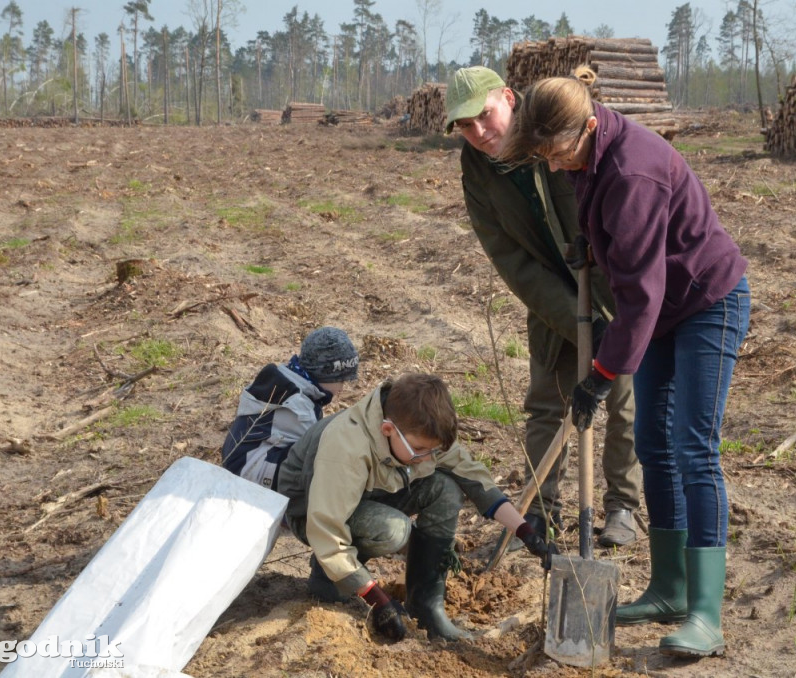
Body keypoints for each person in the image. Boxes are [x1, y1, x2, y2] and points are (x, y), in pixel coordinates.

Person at [498, 66, 751, 659]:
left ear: (588, 127)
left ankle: (706, 615)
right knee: (652, 441)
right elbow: (615, 244)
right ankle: (667, 588)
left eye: (558, 154)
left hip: (706, 302)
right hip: (664, 309)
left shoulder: (633, 169)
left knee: (693, 447)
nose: (555, 167)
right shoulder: (590, 151)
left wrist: (603, 375)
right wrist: (588, 242)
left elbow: (640, 294)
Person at [444, 66, 642, 548]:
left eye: (484, 116)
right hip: (551, 298)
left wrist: (605, 315)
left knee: (621, 402)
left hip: (608, 284)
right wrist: (574, 322)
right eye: (466, 126)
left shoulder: (555, 123)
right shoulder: (476, 170)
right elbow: (509, 258)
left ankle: (622, 507)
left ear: (508, 99)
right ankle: (541, 514)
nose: (479, 133)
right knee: (545, 406)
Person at [275, 372, 554, 642]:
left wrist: (525, 531)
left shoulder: (420, 430)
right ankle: (330, 577)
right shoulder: (347, 447)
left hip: (366, 494)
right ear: (387, 429)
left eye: (434, 451)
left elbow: (472, 476)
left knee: (444, 488)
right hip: (312, 510)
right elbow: (326, 528)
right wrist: (378, 601)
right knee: (393, 530)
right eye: (422, 450)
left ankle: (425, 607)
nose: (428, 458)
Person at [221, 326, 360, 492]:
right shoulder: (299, 407)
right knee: (321, 454)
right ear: (325, 375)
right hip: (247, 479)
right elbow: (310, 456)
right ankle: (293, 512)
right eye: (341, 381)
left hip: (238, 462)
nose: (342, 389)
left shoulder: (285, 381)